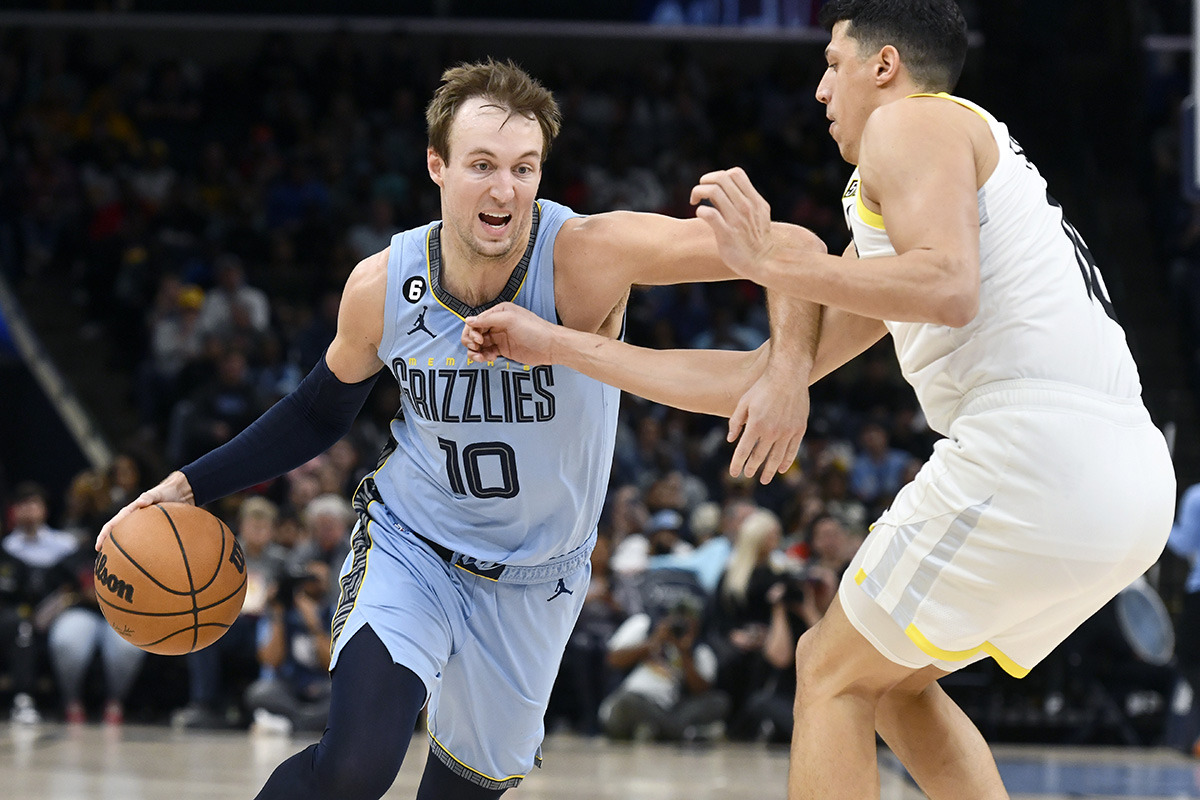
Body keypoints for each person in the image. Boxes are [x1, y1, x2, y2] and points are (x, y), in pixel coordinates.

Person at [461, 3, 1176, 797]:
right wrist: (556, 345)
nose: (820, 88)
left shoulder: (910, 126)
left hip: (1038, 448)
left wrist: (771, 259)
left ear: (886, 65)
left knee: (828, 671)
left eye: (834, 63)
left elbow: (948, 287)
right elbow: (758, 378)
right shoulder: (921, 195)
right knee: (892, 685)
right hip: (1130, 476)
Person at [99, 58, 818, 800]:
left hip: (537, 578)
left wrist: (788, 371)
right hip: (415, 545)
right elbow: (317, 411)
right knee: (354, 765)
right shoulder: (382, 284)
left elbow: (790, 246)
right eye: (481, 165)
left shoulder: (586, 255)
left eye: (524, 167)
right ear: (437, 166)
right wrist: (188, 484)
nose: (504, 189)